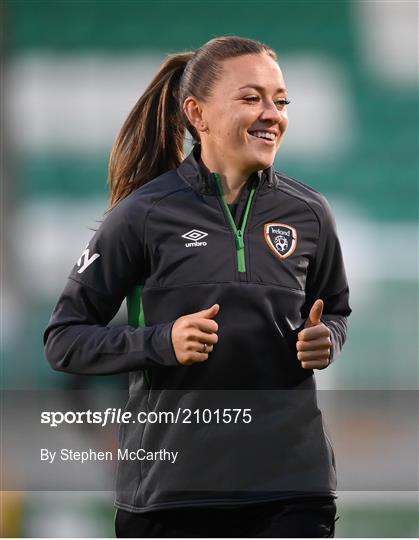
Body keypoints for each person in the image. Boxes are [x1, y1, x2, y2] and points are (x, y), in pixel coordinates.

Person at [44, 36, 351, 538]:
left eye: (280, 100)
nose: (272, 113)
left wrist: (328, 339)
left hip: (293, 487)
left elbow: (336, 311)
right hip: (172, 493)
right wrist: (162, 342)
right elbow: (64, 340)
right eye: (251, 98)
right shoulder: (142, 215)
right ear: (197, 113)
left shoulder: (311, 213)